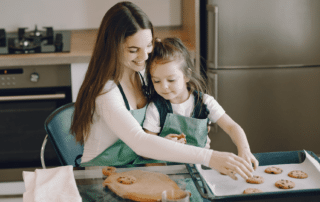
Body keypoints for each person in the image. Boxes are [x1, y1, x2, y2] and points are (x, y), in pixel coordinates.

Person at [70, 1, 254, 180]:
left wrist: (170, 139)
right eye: (134, 50)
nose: (144, 57)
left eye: (148, 45)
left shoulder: (143, 74)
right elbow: (140, 142)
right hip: (99, 177)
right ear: (113, 46)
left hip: (133, 170)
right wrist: (210, 157)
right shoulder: (106, 91)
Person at [138, 37, 259, 173]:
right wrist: (163, 142)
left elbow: (232, 127)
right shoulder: (155, 108)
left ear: (187, 75)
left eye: (171, 79)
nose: (164, 87)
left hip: (197, 172)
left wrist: (245, 151)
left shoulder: (205, 103)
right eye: (156, 81)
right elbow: (145, 149)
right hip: (165, 174)